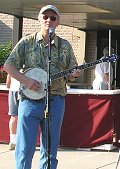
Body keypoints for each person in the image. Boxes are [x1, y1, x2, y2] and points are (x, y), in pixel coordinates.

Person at [4, 5, 80, 169]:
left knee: (50, 151)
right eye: (45, 17)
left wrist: (74, 74)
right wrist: (26, 80)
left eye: (53, 18)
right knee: (25, 148)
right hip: (30, 101)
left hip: (56, 100)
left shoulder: (65, 45)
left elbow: (70, 72)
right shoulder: (27, 42)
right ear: (39, 19)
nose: (48, 20)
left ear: (58, 22)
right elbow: (9, 66)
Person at [6, 74, 20, 150]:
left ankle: (12, 141)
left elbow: (8, 84)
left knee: (13, 116)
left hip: (13, 89)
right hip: (24, 90)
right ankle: (22, 141)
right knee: (24, 117)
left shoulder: (13, 63)